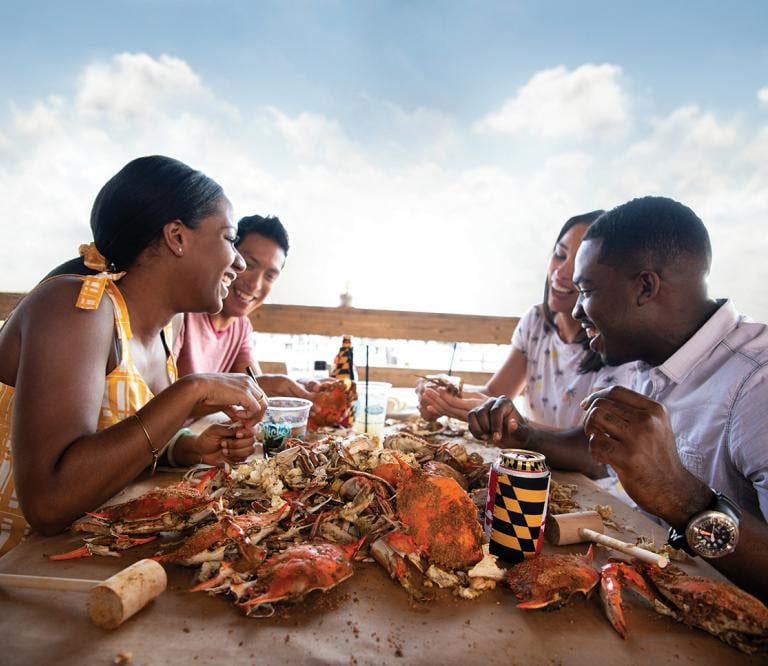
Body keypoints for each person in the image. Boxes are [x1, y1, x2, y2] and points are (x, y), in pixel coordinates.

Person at [468, 196, 768, 602]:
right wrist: (524, 434)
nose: (575, 312)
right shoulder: (657, 356)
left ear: (645, 286)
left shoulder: (756, 384)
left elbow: (665, 485)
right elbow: (599, 452)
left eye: (587, 290)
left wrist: (683, 499)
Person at [0, 155, 269, 555]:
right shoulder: (77, 307)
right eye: (230, 239)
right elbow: (48, 503)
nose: (240, 261)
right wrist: (191, 391)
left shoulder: (163, 330)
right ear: (177, 236)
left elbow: (118, 438)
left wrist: (185, 447)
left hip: (64, 561)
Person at [417, 210, 635, 428]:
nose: (562, 271)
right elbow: (494, 393)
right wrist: (442, 392)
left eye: (578, 264)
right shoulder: (535, 322)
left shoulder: (614, 347)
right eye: (560, 255)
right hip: (525, 460)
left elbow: (586, 446)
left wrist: (515, 426)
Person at [173, 215, 318, 400]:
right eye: (249, 265)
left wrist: (300, 386)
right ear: (227, 257)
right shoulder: (183, 310)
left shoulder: (241, 327)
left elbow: (254, 383)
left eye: (269, 276)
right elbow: (157, 401)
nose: (255, 285)